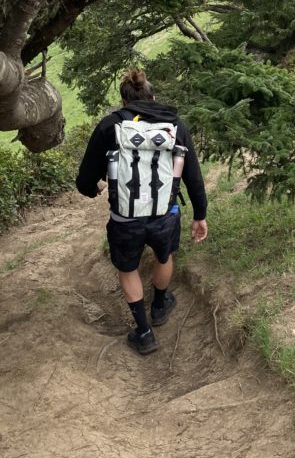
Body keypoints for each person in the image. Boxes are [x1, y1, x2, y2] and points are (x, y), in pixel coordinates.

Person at [76, 69, 208, 355]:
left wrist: (94, 188)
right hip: (165, 214)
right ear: (153, 97)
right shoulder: (175, 124)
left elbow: (84, 181)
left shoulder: (109, 126)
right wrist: (200, 214)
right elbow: (193, 176)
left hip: (126, 218)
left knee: (128, 267)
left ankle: (144, 332)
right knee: (164, 255)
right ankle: (160, 304)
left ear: (124, 101)